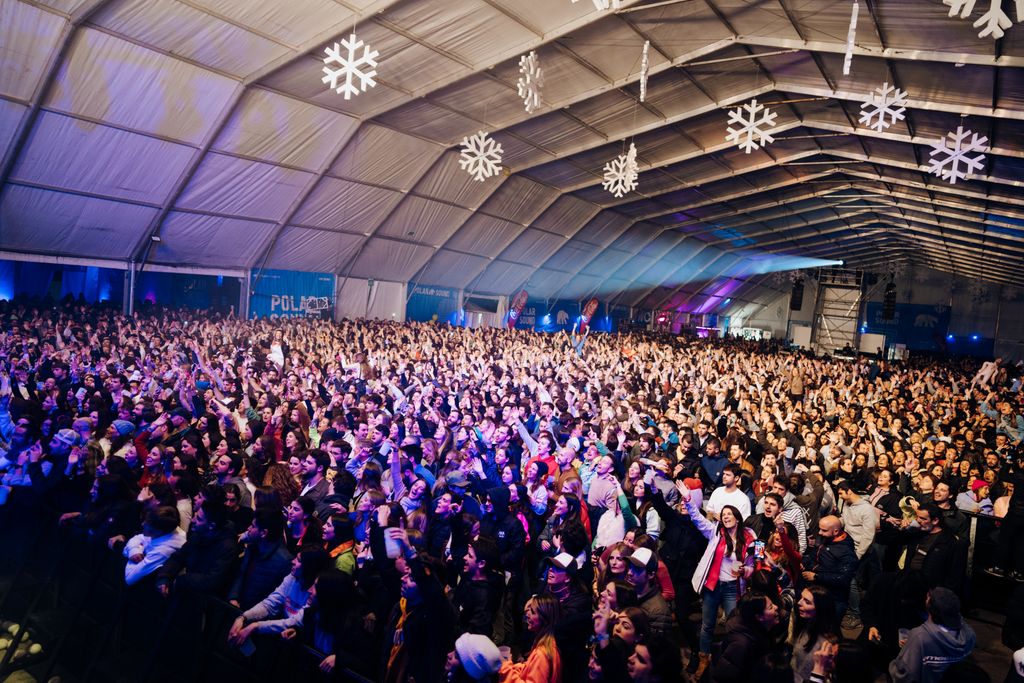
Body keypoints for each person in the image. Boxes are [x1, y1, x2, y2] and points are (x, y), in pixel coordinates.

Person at [680, 480, 755, 680]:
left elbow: (754, 563)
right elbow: (696, 518)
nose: (726, 517)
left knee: (733, 624)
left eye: (729, 514)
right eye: (723, 515)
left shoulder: (749, 537)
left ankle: (729, 658)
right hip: (713, 585)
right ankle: (704, 659)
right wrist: (688, 500)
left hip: (733, 587)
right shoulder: (715, 532)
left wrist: (746, 569)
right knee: (707, 625)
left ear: (737, 518)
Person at [888, 587, 976, 683]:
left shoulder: (920, 637)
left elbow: (904, 676)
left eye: (927, 598)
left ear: (930, 608)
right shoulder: (969, 635)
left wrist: (910, 649)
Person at [711, 591, 780, 683]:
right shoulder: (741, 645)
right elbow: (724, 676)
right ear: (759, 617)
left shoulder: (761, 627)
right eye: (771, 607)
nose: (776, 607)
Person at [801, 515, 857, 620]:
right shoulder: (827, 539)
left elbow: (843, 579)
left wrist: (816, 577)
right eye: (820, 529)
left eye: (824, 530)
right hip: (820, 594)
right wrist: (805, 562)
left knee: (829, 631)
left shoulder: (846, 553)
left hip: (834, 600)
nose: (820, 533)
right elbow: (815, 555)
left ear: (835, 531)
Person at [499, 593, 562, 683]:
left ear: (544, 619)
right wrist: (518, 667)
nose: (527, 615)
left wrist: (506, 669)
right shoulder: (549, 644)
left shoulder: (541, 654)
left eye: (532, 612)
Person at [122, 505, 186, 586]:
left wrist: (130, 549)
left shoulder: (163, 551)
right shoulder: (165, 529)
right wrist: (133, 550)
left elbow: (129, 577)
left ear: (158, 531)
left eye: (147, 523)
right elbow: (138, 538)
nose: (142, 524)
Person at [790, 585, 838, 683]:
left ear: (820, 609)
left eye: (807, 602)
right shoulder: (804, 624)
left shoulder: (827, 644)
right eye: (801, 598)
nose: (799, 602)